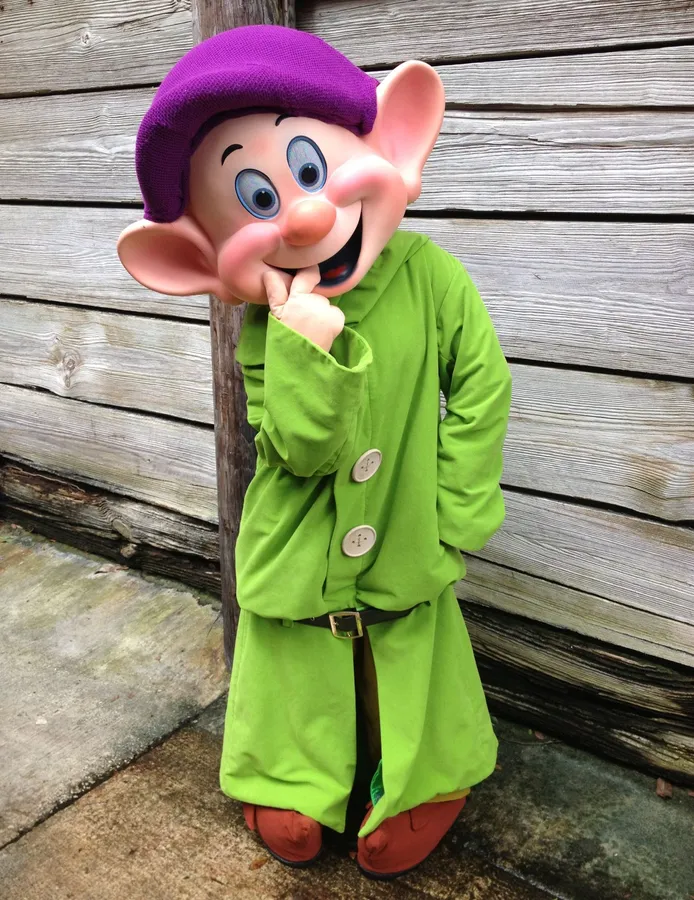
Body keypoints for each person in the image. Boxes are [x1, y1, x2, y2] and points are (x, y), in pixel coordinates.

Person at [117, 24, 512, 879]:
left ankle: (425, 779)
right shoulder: (265, 326)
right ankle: (290, 777)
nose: (304, 213)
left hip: (408, 530)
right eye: (257, 197)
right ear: (202, 259)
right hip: (300, 542)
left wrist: (454, 512)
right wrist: (306, 342)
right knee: (299, 644)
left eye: (309, 168)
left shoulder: (432, 277)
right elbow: (299, 450)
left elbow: (481, 388)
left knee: (410, 644)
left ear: (393, 147)